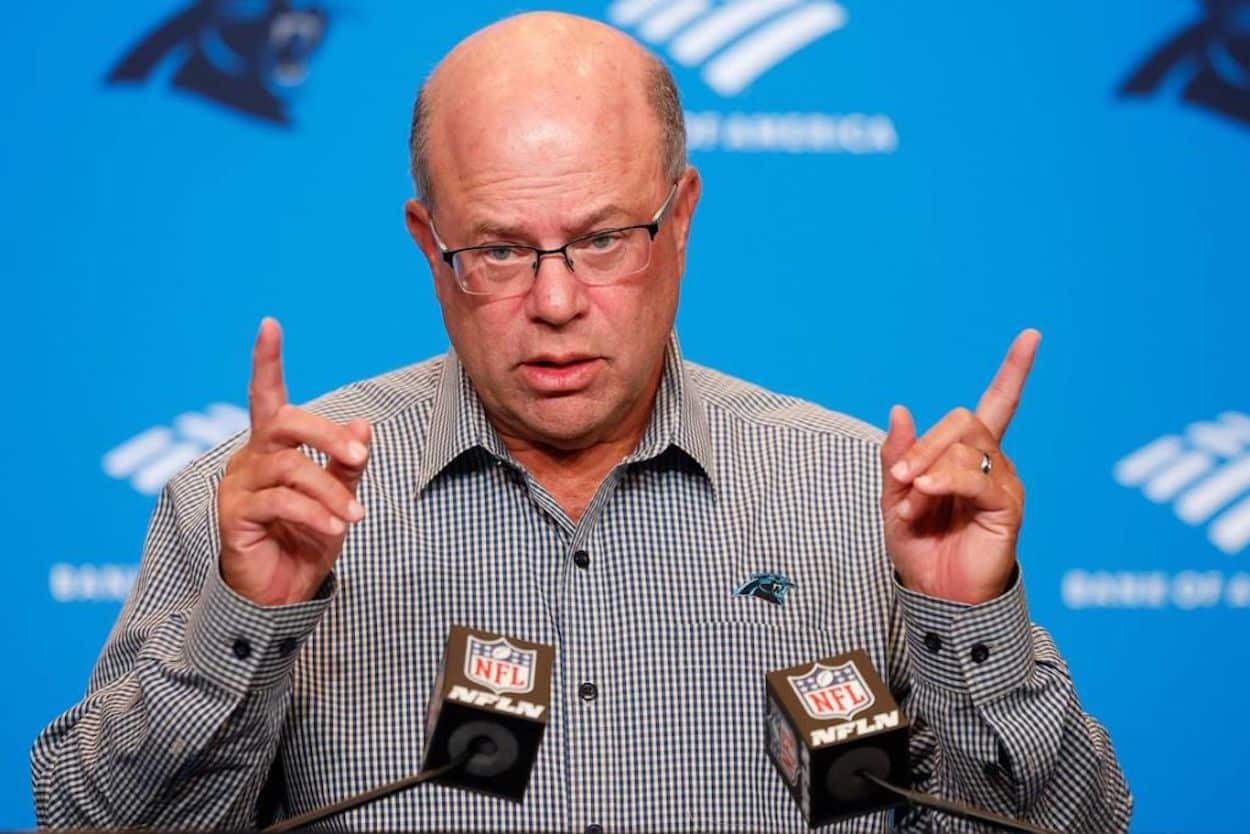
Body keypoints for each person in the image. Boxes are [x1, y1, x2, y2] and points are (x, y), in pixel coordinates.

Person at [32, 11, 1131, 833]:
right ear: (429, 244)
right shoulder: (269, 508)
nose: (555, 303)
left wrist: (962, 625)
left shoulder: (861, 495)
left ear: (681, 216)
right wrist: (243, 624)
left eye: (605, 237)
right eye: (501, 249)